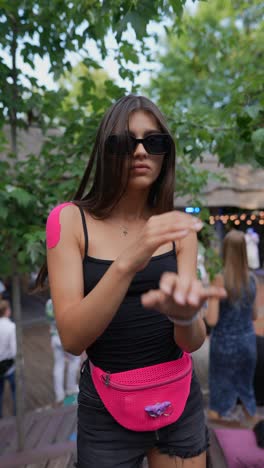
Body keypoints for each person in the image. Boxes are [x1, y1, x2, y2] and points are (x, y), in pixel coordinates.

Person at [37, 95, 226, 468]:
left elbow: (191, 342)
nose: (140, 152)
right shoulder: (70, 221)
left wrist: (186, 316)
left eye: (154, 142)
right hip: (105, 408)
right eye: (126, 142)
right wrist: (128, 261)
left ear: (165, 154)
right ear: (106, 150)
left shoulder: (178, 229)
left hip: (178, 396)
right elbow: (73, 339)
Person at [206, 230, 258, 425]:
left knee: (218, 399)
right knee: (246, 391)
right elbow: (253, 315)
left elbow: (211, 320)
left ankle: (224, 444)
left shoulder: (219, 279)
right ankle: (251, 437)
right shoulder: (252, 279)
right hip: (247, 343)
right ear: (245, 251)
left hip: (224, 345)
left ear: (225, 250)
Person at [45, 298, 81, 405]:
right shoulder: (63, 301)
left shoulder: (49, 303)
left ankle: (59, 394)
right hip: (65, 336)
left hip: (55, 337)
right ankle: (70, 387)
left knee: (58, 365)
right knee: (74, 360)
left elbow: (48, 320)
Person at [0, 300, 16, 418]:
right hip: (9, 365)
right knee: (15, 391)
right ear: (6, 311)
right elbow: (15, 350)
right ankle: (16, 415)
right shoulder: (11, 327)